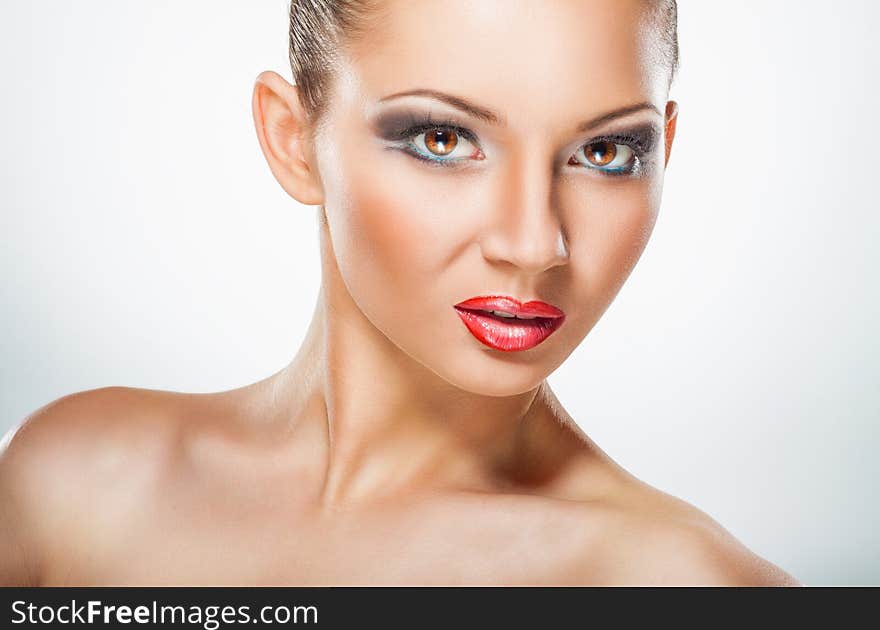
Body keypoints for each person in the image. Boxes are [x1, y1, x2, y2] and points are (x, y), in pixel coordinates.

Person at [0, 0, 801, 585]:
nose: (532, 244)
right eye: (443, 138)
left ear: (662, 147)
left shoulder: (687, 588)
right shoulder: (72, 480)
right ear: (293, 139)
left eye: (603, 152)